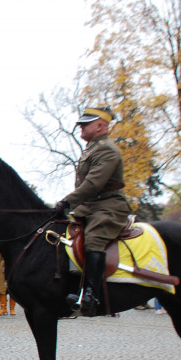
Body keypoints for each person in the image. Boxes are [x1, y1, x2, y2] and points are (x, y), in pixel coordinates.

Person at [53, 105, 129, 315]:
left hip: (108, 206)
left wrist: (67, 201)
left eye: (85, 125)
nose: (81, 129)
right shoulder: (92, 149)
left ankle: (90, 294)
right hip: (89, 207)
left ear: (100, 126)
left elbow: (93, 184)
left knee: (94, 238)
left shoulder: (107, 149)